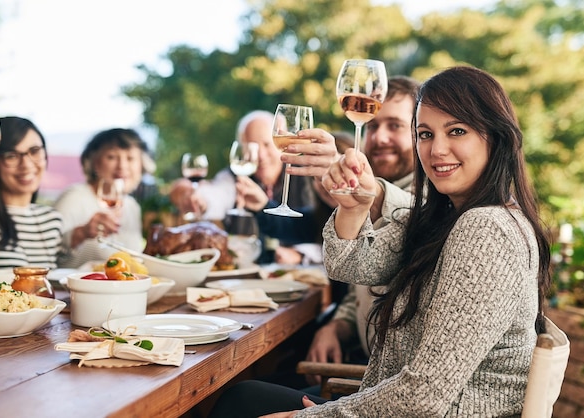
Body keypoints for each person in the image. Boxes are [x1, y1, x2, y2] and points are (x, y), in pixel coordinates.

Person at [207, 65, 552, 417]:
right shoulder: (445, 215)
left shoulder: (487, 229)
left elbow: (425, 396)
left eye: (457, 131)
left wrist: (310, 416)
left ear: (496, 137)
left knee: (241, 403)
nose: (437, 150)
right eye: (426, 134)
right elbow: (349, 266)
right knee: (245, 397)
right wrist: (354, 208)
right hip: (392, 404)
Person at [305, 76, 420, 384]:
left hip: (387, 391)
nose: (379, 137)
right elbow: (361, 291)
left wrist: (371, 194)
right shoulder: (387, 192)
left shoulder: (435, 199)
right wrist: (336, 328)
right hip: (366, 374)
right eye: (372, 125)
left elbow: (416, 215)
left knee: (240, 397)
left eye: (394, 125)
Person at [170, 110, 333, 265]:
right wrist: (200, 199)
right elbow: (217, 195)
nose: (260, 155)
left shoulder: (308, 175)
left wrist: (301, 253)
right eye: (252, 147)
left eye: (267, 145)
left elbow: (328, 230)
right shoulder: (234, 176)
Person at [0, 116, 63, 278]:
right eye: (11, 155)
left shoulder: (51, 219)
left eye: (34, 151)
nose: (26, 164)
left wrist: (81, 238)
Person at [55, 128, 154, 268]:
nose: (122, 166)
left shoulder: (132, 206)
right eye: (112, 157)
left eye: (130, 158)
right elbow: (48, 251)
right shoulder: (74, 197)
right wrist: (81, 233)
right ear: (94, 162)